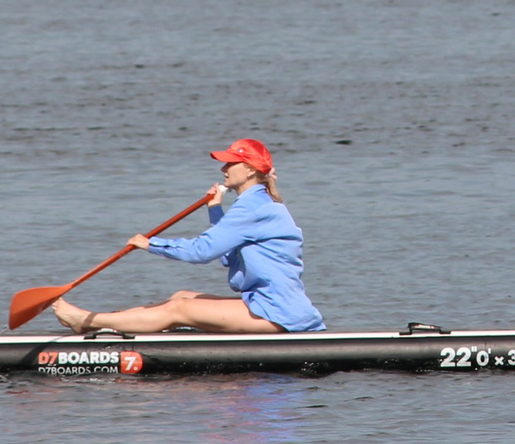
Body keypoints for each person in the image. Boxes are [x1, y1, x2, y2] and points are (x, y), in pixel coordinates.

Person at [55, 138, 325, 335]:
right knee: (182, 295)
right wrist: (215, 209)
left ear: (251, 170)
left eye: (231, 163)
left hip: (278, 312)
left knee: (179, 308)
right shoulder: (257, 204)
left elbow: (203, 252)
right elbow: (227, 254)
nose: (223, 169)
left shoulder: (253, 207)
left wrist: (152, 244)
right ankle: (110, 323)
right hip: (265, 303)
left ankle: (89, 321)